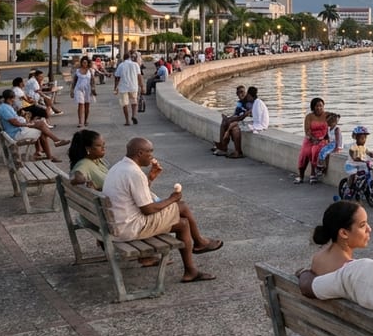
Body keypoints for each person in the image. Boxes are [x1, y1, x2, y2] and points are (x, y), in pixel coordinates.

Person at [102, 137, 222, 283]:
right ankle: (198, 246)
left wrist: (151, 177)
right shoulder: (134, 173)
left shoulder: (119, 167)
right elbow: (148, 209)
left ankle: (193, 264)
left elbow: (138, 197)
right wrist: (172, 199)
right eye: (150, 152)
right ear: (140, 153)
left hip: (117, 224)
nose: (152, 156)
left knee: (183, 223)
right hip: (129, 228)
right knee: (181, 207)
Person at [307, 201, 372, 336]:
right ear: (343, 233)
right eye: (362, 225)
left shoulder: (318, 258)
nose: (369, 229)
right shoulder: (353, 271)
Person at [0, 88, 70, 162]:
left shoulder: (5, 106)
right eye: (13, 98)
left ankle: (52, 147)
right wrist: (28, 124)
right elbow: (15, 123)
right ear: (10, 99)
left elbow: (15, 121)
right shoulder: (4, 108)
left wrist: (28, 122)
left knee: (41, 124)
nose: (14, 100)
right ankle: (54, 145)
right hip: (15, 134)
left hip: (17, 131)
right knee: (41, 128)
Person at [223, 86, 267, 159]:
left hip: (259, 125)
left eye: (243, 92)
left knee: (235, 129)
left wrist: (247, 116)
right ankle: (225, 147)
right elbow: (239, 114)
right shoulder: (248, 102)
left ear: (249, 95)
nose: (242, 95)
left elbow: (257, 119)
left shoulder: (256, 103)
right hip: (255, 122)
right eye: (239, 93)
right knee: (230, 123)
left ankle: (238, 152)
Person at [296, 97, 330, 184]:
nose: (319, 108)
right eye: (317, 106)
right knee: (305, 152)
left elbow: (334, 125)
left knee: (314, 151)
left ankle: (313, 173)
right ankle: (301, 176)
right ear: (313, 107)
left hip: (323, 139)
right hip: (310, 138)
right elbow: (307, 130)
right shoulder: (309, 116)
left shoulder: (327, 115)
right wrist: (312, 138)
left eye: (321, 106)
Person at [212, 85, 249, 155]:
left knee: (230, 124)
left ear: (246, 92)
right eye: (239, 93)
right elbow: (236, 114)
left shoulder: (248, 103)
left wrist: (231, 119)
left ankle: (223, 147)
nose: (241, 94)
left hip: (245, 121)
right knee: (224, 122)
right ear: (237, 94)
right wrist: (229, 118)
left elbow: (244, 116)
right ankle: (222, 146)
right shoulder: (239, 103)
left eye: (242, 92)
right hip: (239, 119)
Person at [113, 51, 144, 126]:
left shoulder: (121, 65)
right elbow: (139, 76)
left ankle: (127, 121)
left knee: (125, 104)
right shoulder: (136, 65)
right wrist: (142, 86)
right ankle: (134, 115)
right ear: (130, 57)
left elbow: (117, 77)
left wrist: (115, 88)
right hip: (133, 86)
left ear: (124, 58)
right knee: (134, 102)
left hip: (123, 87)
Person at [72, 56, 98, 127]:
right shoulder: (78, 71)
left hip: (88, 90)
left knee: (87, 106)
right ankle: (80, 122)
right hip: (79, 89)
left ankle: (85, 120)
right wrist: (72, 90)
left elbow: (93, 81)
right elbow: (74, 81)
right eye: (83, 62)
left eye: (85, 62)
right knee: (81, 104)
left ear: (88, 63)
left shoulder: (90, 71)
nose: (84, 64)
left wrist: (93, 89)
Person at [315, 111, 344, 177]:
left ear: (333, 122)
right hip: (331, 144)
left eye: (328, 122)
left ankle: (323, 168)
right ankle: (320, 167)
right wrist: (319, 139)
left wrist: (336, 149)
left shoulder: (337, 129)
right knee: (322, 151)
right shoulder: (329, 128)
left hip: (335, 144)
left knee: (326, 153)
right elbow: (326, 136)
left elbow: (338, 140)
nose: (326, 123)